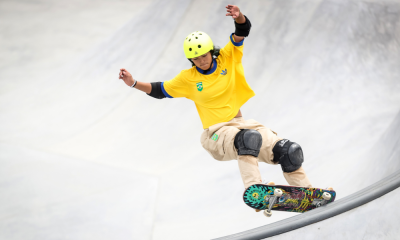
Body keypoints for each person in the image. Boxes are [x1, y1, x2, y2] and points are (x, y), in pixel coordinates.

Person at [119, 4, 312, 202]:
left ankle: (309, 196)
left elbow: (242, 31)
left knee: (289, 150)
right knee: (249, 138)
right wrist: (133, 83)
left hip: (242, 125)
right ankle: (256, 192)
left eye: (204, 55)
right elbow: (160, 89)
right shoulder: (188, 78)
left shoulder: (228, 57)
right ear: (190, 60)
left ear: (211, 51)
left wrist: (239, 17)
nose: (201, 61)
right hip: (216, 134)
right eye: (195, 59)